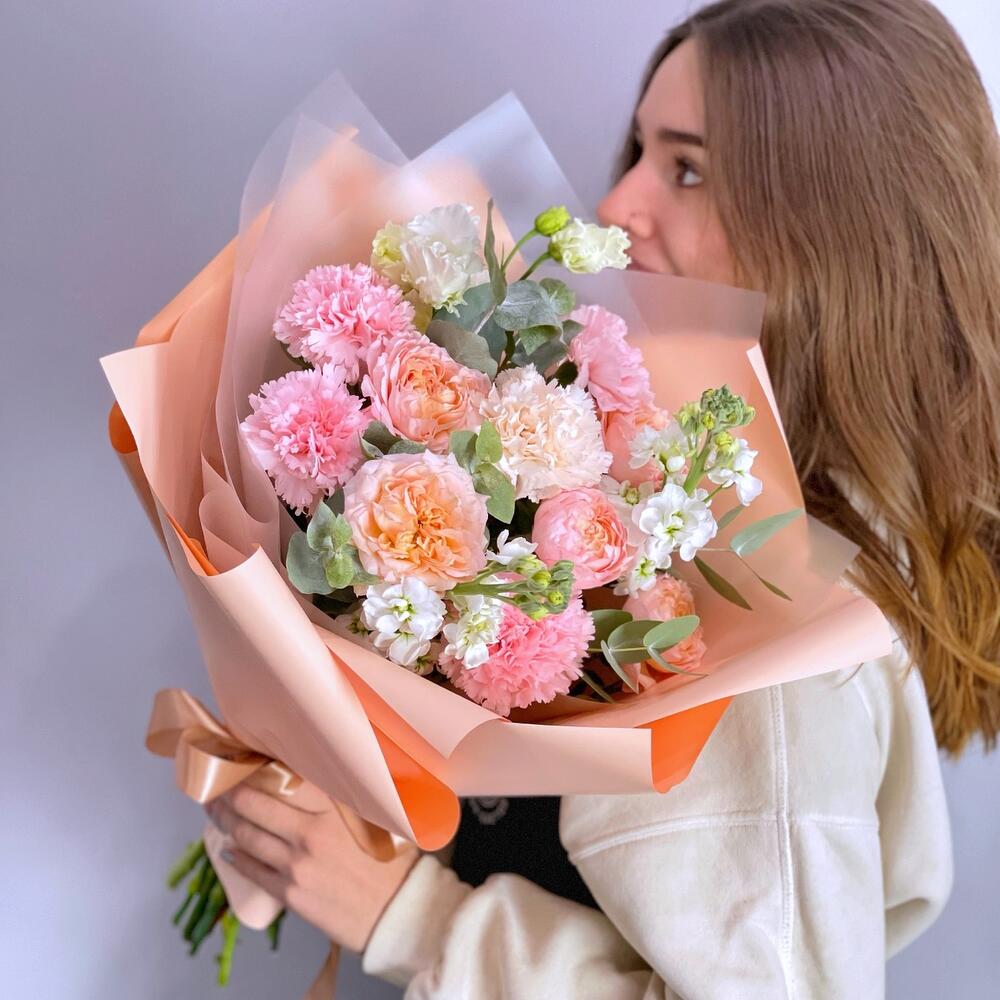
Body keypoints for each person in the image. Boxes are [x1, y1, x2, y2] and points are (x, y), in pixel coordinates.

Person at [205, 0, 1000, 995]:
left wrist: (414, 917)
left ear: (835, 224)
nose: (618, 201)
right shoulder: (674, 497)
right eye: (640, 150)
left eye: (688, 169)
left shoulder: (781, 616)